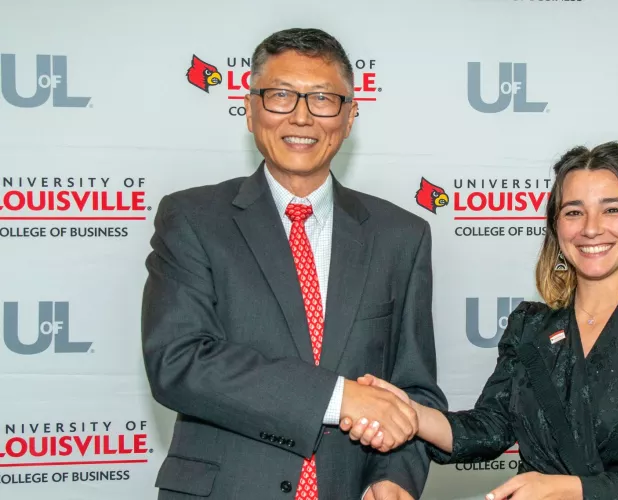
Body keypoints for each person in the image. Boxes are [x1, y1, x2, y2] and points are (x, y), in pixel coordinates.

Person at [141, 27, 447, 500]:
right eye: (281, 95)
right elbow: (178, 362)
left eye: (323, 98)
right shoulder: (192, 219)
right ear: (250, 110)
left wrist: (393, 477)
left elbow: (414, 392)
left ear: (349, 116)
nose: (301, 116)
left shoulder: (401, 236)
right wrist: (338, 397)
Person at [342, 141, 618, 499]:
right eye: (573, 212)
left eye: (612, 210)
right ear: (556, 226)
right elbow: (491, 428)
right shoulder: (530, 326)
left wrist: (571, 491)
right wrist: (413, 415)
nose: (591, 228)